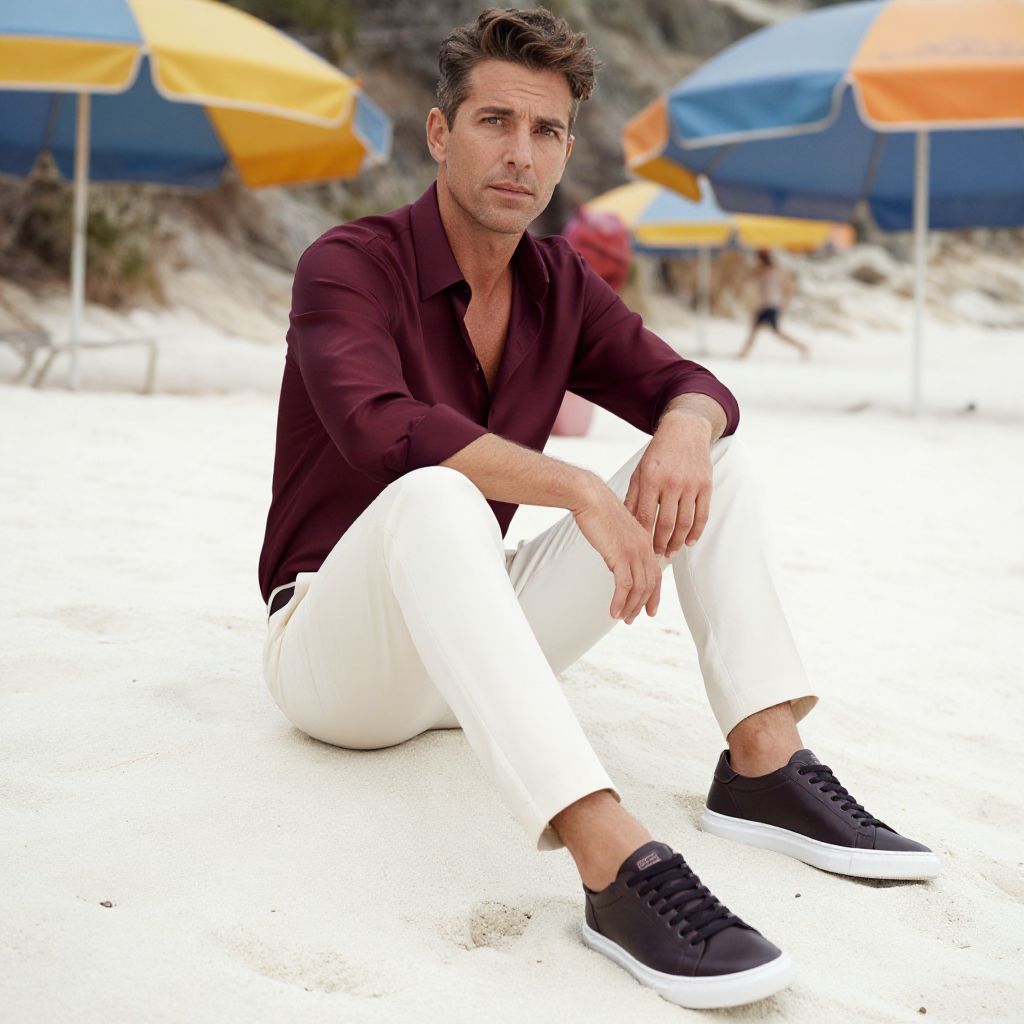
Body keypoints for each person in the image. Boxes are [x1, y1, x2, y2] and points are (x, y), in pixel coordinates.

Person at [258, 7, 937, 1011]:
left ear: (567, 146)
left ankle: (762, 759)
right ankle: (610, 858)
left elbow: (691, 380)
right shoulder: (348, 265)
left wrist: (682, 428)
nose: (518, 153)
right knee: (438, 491)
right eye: (494, 122)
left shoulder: (556, 281)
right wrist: (576, 484)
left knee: (711, 454)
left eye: (544, 131)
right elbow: (379, 430)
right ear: (441, 133)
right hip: (335, 660)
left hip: (473, 639)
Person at [736, 249, 810, 360]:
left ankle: (802, 347)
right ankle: (743, 353)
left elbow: (789, 287)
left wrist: (784, 302)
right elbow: (750, 277)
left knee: (768, 331)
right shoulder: (764, 271)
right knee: (759, 330)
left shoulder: (773, 271)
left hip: (771, 306)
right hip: (767, 305)